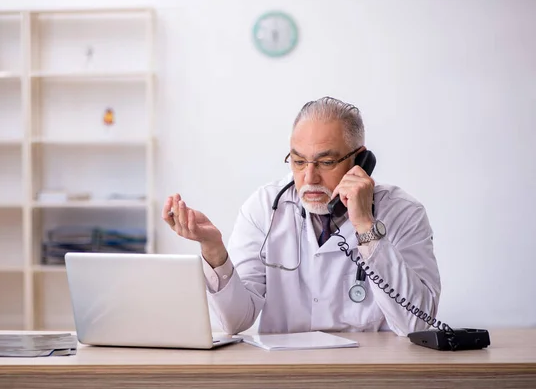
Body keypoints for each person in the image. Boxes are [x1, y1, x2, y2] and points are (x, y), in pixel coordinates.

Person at [162, 97, 441, 336]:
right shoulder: (264, 207)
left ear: (360, 161)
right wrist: (213, 250)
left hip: (370, 375)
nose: (309, 177)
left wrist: (365, 224)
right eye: (298, 161)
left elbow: (417, 325)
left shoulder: (404, 213)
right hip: (286, 375)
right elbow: (235, 321)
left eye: (326, 162)